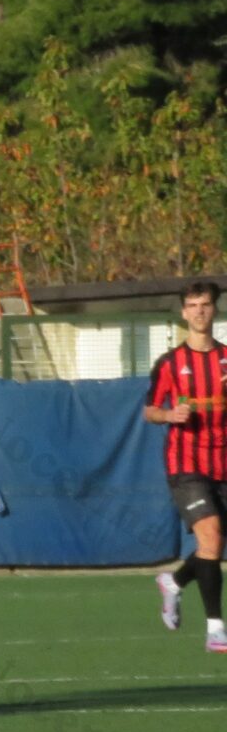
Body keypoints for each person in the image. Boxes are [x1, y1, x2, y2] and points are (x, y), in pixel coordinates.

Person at [147, 277, 227, 654]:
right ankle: (215, 628)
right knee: (209, 534)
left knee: (213, 545)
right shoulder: (169, 362)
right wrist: (168, 414)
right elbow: (149, 410)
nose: (199, 311)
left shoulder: (226, 358)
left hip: (222, 462)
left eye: (205, 304)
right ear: (183, 312)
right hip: (185, 463)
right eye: (193, 305)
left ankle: (174, 582)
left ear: (214, 309)